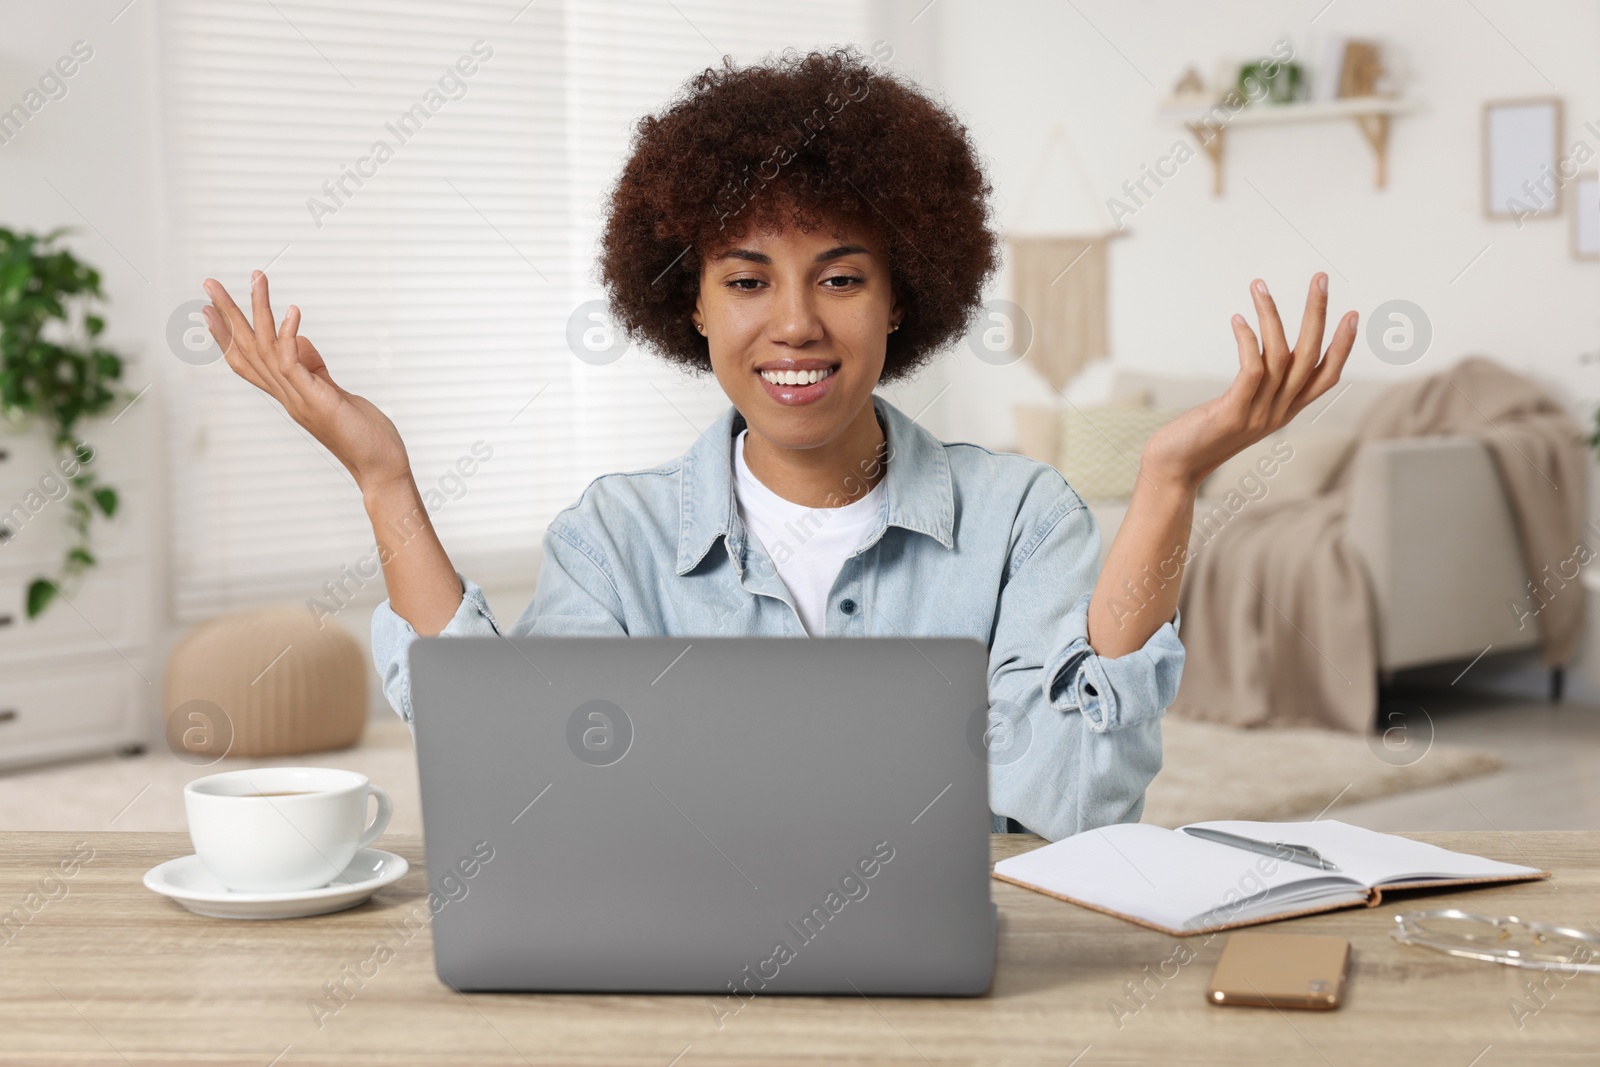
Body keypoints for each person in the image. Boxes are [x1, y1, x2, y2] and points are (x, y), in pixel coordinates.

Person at [198, 47, 1355, 841]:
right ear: (688, 303)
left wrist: (1166, 480)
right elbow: (511, 758)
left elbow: (1079, 790)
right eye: (746, 280)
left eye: (840, 277)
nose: (795, 323)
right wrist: (381, 474)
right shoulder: (618, 532)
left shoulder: (1020, 518)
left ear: (903, 299)